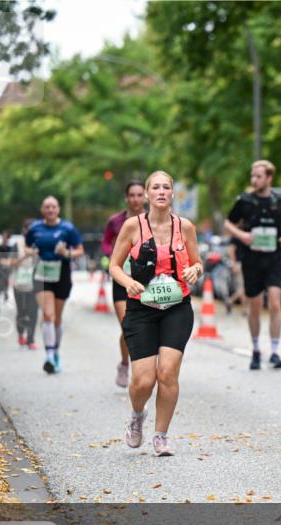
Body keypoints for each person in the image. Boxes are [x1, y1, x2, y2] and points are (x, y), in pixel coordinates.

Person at [110, 170, 203, 457]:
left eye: (166, 187)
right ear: (148, 194)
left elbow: (198, 263)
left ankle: (161, 436)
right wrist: (128, 282)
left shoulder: (185, 227)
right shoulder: (132, 226)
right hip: (141, 309)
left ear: (173, 194)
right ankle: (138, 415)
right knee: (143, 380)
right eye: (156, 188)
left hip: (177, 307)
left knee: (167, 373)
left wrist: (194, 271)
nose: (161, 192)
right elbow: (114, 265)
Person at [224, 160, 281, 370]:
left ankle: (274, 351)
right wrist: (242, 235)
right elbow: (228, 223)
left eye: (258, 176)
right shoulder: (245, 201)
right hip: (251, 260)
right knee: (254, 305)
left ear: (268, 178)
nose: (254, 180)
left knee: (275, 303)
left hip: (274, 259)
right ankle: (256, 349)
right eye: (252, 176)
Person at [25, 196, 84, 373]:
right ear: (42, 210)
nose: (50, 210)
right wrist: (32, 252)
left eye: (53, 207)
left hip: (62, 274)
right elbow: (26, 247)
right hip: (42, 274)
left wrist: (67, 252)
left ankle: (55, 351)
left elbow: (80, 250)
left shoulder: (68, 228)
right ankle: (49, 356)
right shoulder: (35, 228)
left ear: (58, 209)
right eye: (46, 207)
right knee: (48, 315)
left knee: (57, 318)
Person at [102, 181, 146, 387]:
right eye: (132, 195)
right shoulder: (116, 221)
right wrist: (111, 255)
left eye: (139, 195)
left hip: (146, 280)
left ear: (145, 197)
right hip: (122, 279)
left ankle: (141, 367)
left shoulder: (152, 220)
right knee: (128, 325)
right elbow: (105, 241)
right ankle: (125, 365)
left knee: (143, 326)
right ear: (126, 198)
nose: (136, 199)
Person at [12, 219, 39, 349]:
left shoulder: (40, 244)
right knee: (22, 311)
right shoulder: (17, 244)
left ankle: (31, 339)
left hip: (35, 283)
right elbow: (11, 262)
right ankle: (20, 333)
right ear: (24, 230)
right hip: (20, 283)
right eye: (28, 229)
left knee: (33, 311)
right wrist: (25, 256)